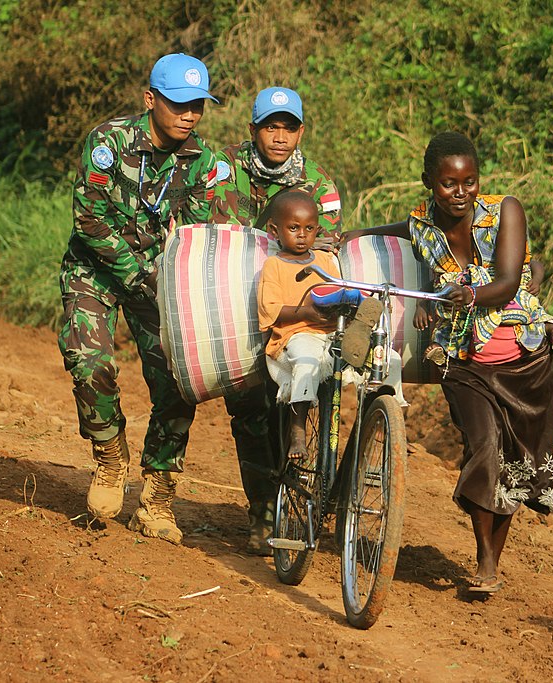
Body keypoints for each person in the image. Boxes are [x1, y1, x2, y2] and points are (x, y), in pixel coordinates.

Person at [344, 131, 553, 594]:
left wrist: (464, 293)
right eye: (449, 183)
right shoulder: (423, 225)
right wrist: (354, 235)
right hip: (463, 358)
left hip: (524, 359)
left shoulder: (505, 211)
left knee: (516, 463)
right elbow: (396, 230)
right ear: (428, 181)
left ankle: (487, 562)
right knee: (485, 447)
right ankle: (485, 557)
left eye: (469, 182)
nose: (461, 193)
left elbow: (509, 281)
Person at [58, 53, 220, 545]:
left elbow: (192, 235)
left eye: (197, 105)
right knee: (90, 363)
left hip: (157, 277)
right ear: (151, 100)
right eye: (178, 104)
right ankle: (109, 455)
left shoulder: (202, 162)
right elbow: (88, 219)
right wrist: (134, 274)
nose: (189, 115)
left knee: (179, 378)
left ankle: (157, 497)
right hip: (97, 268)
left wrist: (176, 285)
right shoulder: (108, 142)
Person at [208, 87, 343, 554]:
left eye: (288, 127)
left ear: (300, 131)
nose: (279, 136)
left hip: (295, 315)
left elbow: (324, 252)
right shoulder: (224, 170)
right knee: (250, 411)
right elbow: (215, 240)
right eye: (270, 126)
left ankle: (313, 498)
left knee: (310, 400)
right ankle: (263, 510)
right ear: (253, 130)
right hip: (236, 309)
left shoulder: (319, 186)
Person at [256, 193, 340, 459]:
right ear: (274, 230)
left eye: (309, 228)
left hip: (329, 333)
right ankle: (297, 432)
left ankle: (385, 419)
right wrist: (307, 313)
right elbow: (269, 310)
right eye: (293, 228)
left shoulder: (326, 261)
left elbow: (337, 292)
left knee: (382, 355)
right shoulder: (274, 265)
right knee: (306, 361)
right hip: (294, 336)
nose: (302, 235)